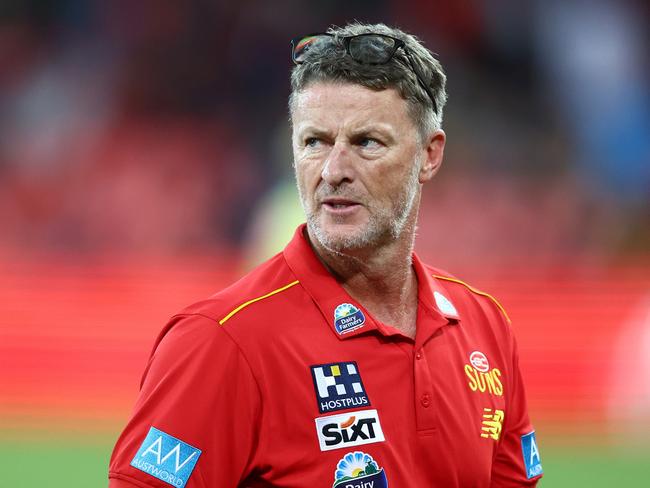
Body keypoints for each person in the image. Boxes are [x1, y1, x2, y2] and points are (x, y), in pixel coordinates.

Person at [108, 22, 543, 488]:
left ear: (429, 155)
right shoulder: (222, 341)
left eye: (366, 143)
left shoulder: (485, 328)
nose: (334, 171)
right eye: (314, 142)